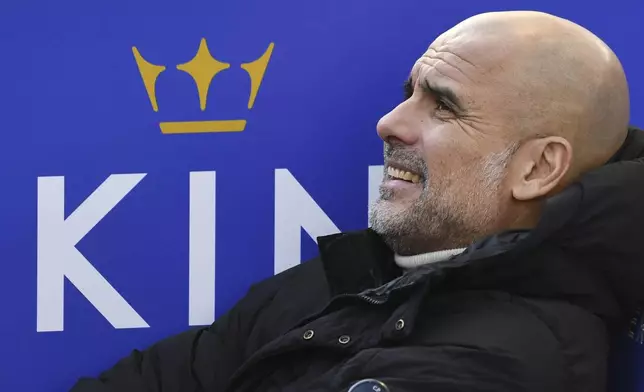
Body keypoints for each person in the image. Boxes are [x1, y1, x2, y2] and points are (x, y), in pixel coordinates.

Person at [71, 10, 644, 392]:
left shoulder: (507, 362)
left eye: (443, 106)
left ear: (538, 168)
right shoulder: (336, 281)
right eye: (407, 94)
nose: (388, 123)